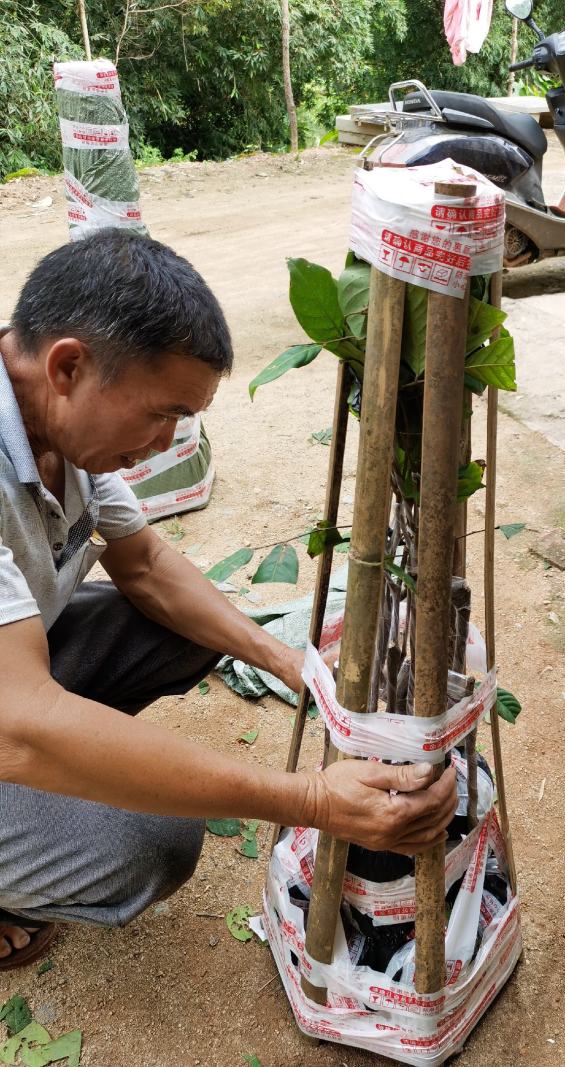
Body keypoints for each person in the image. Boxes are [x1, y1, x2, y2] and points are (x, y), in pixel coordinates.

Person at [0, 229, 456, 969]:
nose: (167, 441)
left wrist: (287, 661)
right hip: (9, 713)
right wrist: (310, 799)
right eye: (163, 413)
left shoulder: (56, 426)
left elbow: (144, 563)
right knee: (145, 843)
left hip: (11, 678)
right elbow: (20, 728)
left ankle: (70, 772)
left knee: (185, 626)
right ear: (70, 366)